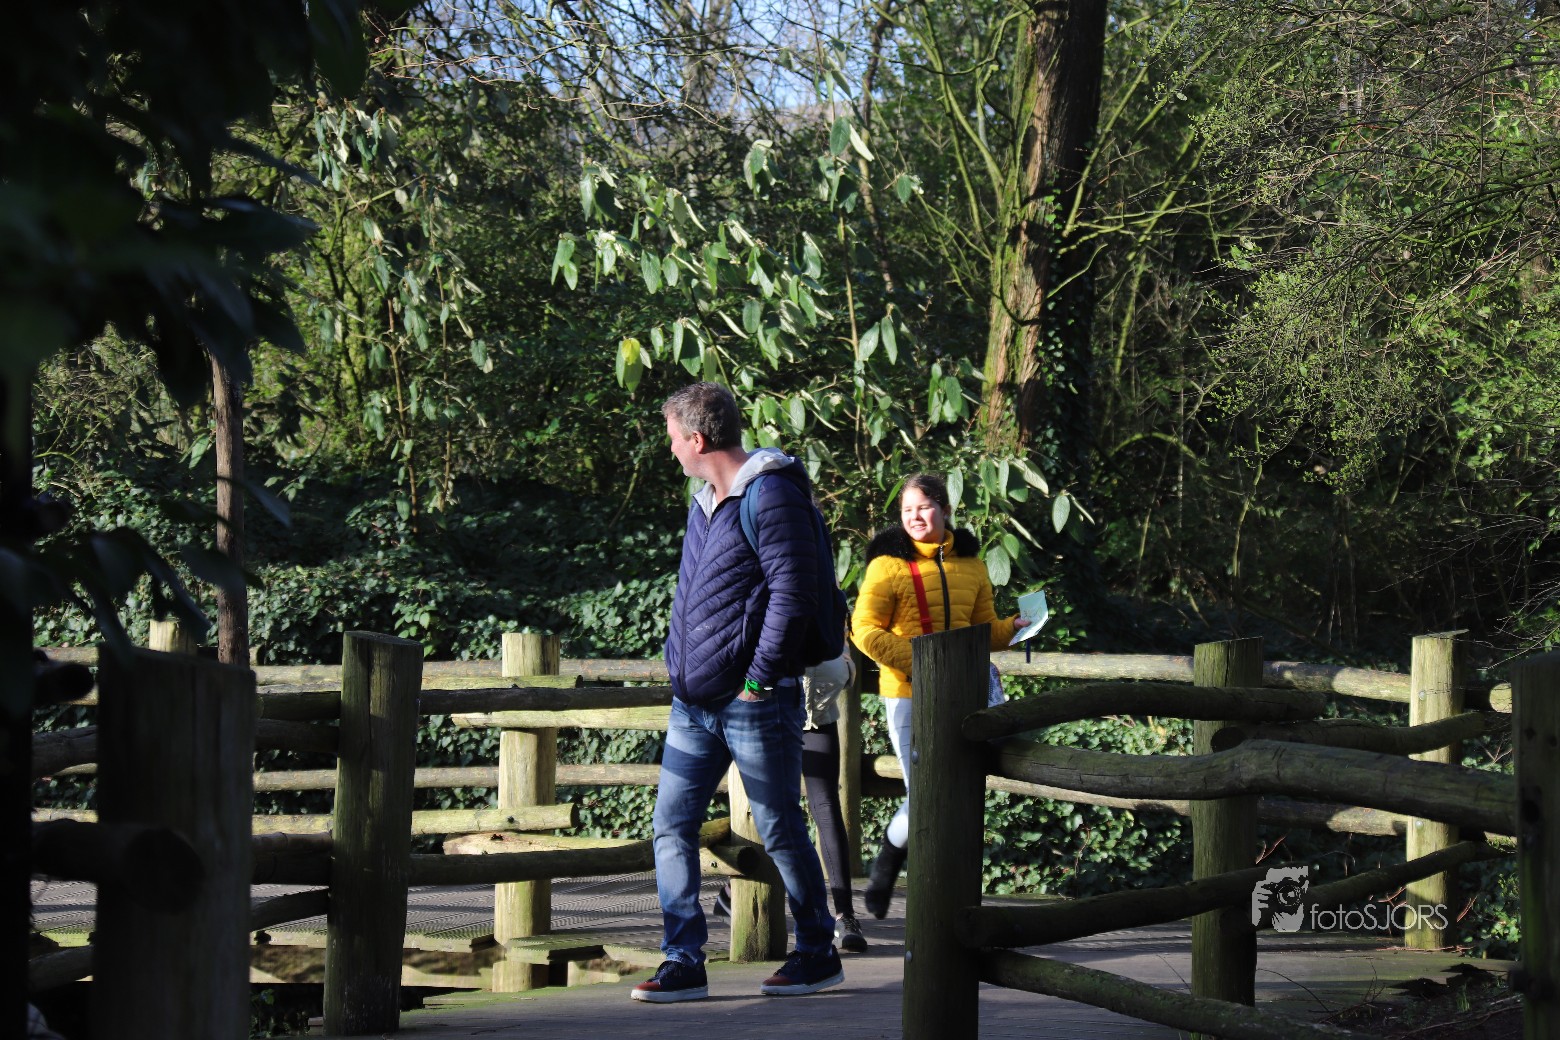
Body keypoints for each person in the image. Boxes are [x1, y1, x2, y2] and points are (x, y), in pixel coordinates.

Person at [632, 381, 843, 1004]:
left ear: (697, 439)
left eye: (673, 438)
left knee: (778, 827)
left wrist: (758, 679)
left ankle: (816, 951)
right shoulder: (705, 501)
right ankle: (683, 961)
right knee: (671, 827)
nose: (671, 449)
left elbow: (794, 594)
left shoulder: (771, 494)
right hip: (693, 706)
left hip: (754, 700)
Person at [849, 473, 1029, 918]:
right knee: (927, 792)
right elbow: (863, 630)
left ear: (945, 511)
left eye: (924, 507)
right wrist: (920, 663)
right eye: (907, 510)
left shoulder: (972, 564)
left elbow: (982, 630)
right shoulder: (885, 566)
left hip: (964, 695)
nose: (914, 517)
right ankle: (897, 869)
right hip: (908, 694)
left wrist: (1014, 628)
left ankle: (908, 870)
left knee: (952, 790)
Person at [800, 645, 869, 952]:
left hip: (818, 711)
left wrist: (846, 667)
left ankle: (845, 916)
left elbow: (840, 638)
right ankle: (733, 895)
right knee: (771, 810)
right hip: (772, 708)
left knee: (826, 807)